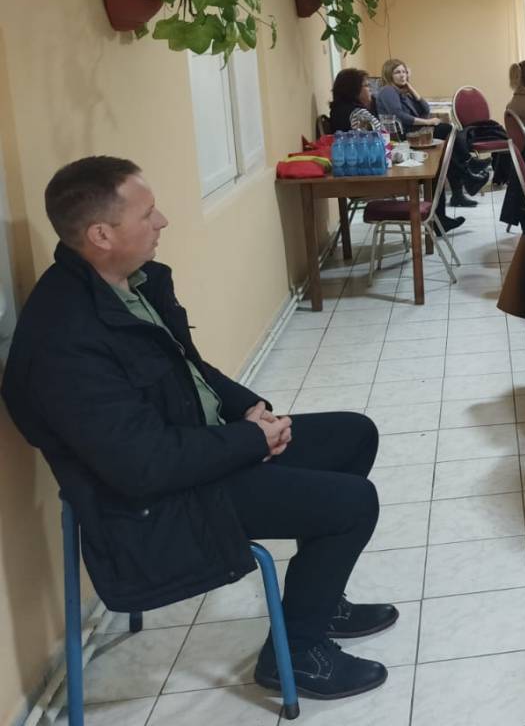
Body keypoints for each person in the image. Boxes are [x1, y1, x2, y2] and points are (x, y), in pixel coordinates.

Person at [2, 158, 397, 700]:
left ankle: (319, 603)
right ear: (101, 234)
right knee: (353, 504)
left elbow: (191, 367)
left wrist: (253, 412)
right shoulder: (64, 342)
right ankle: (298, 656)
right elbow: (142, 467)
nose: (162, 220)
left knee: (355, 434)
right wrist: (248, 442)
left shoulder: (131, 284)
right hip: (156, 506)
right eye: (146, 213)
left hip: (199, 453)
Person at [375, 59, 476, 208]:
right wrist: (427, 123)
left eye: (404, 72)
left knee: (448, 155)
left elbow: (425, 109)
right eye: (397, 72)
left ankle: (462, 184)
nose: (402, 75)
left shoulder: (403, 91)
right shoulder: (388, 91)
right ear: (389, 74)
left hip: (416, 133)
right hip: (404, 137)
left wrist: (411, 88)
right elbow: (399, 115)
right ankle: (468, 171)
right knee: (448, 130)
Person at [327, 68, 383, 133]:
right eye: (367, 85)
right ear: (354, 89)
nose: (370, 89)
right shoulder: (358, 114)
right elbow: (382, 134)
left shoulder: (338, 108)